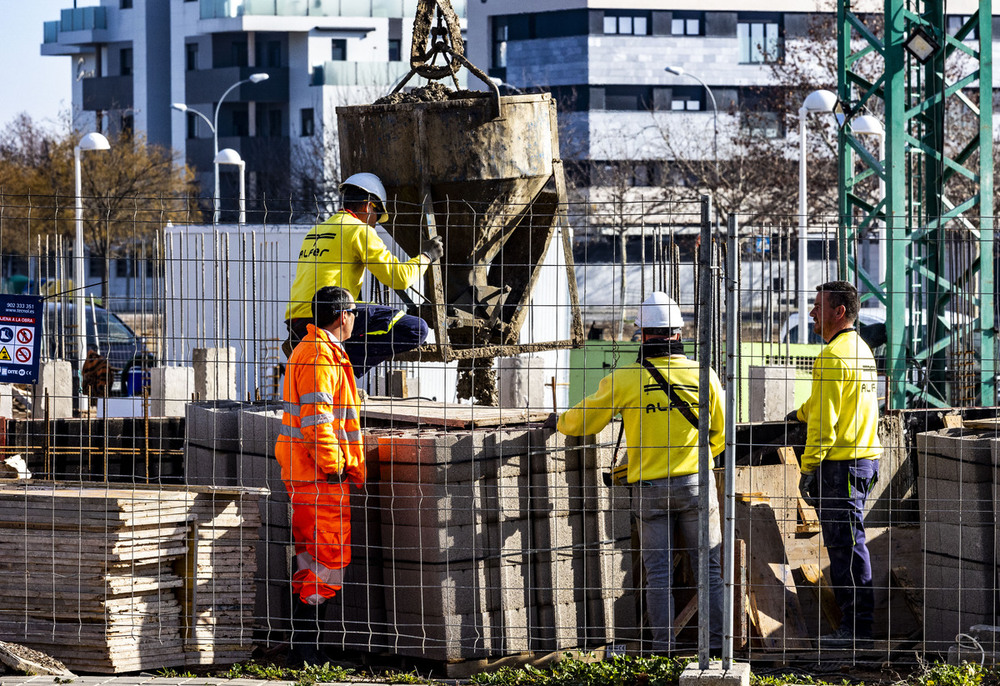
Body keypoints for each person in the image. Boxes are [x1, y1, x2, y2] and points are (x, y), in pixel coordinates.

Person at [544, 291, 724, 654]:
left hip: (648, 488)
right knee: (710, 572)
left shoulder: (625, 379)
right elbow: (720, 432)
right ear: (678, 333)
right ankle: (719, 647)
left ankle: (664, 649)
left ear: (641, 334)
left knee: (658, 575)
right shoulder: (704, 375)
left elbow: (587, 420)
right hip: (696, 485)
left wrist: (558, 421)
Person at [275, 286, 367, 665]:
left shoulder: (315, 351)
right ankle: (308, 654)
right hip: (320, 478)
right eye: (354, 312)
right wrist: (335, 467)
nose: (356, 319)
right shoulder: (319, 357)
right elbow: (318, 422)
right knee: (325, 561)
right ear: (342, 315)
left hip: (309, 476)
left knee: (312, 561)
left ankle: (307, 650)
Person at [789, 280, 881, 649]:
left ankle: (857, 629)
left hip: (841, 464)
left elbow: (825, 427)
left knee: (845, 547)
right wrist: (800, 412)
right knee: (850, 541)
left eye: (817, 306)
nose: (811, 312)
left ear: (838, 312)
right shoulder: (859, 349)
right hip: (864, 459)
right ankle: (858, 625)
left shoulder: (830, 357)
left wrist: (809, 469)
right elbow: (827, 403)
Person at [283, 172, 445, 376]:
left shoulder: (316, 231)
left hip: (298, 323)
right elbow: (399, 278)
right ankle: (343, 370)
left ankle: (329, 355)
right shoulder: (359, 230)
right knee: (416, 329)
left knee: (358, 311)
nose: (375, 223)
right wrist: (427, 256)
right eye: (377, 215)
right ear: (369, 206)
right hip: (332, 318)